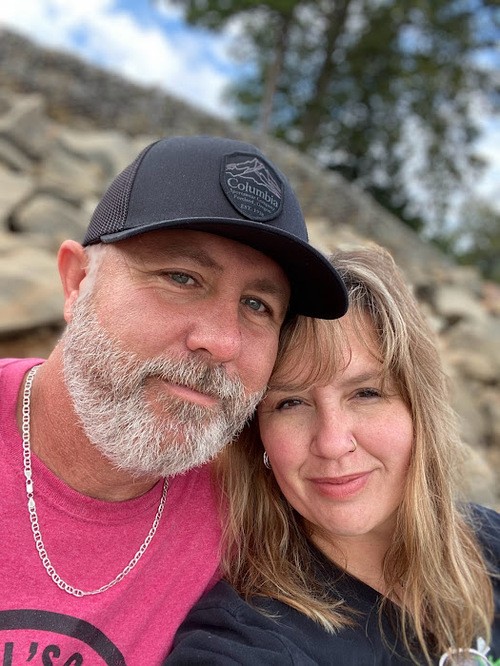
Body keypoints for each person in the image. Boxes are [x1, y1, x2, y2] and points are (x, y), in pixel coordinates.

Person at [0, 135, 348, 665]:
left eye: (258, 305)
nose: (222, 342)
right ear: (77, 282)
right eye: (182, 278)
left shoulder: (257, 512)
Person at [166, 244, 500, 665]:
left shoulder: (488, 545)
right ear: (258, 439)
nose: (331, 442)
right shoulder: (246, 637)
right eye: (290, 403)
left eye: (366, 393)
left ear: (420, 409)